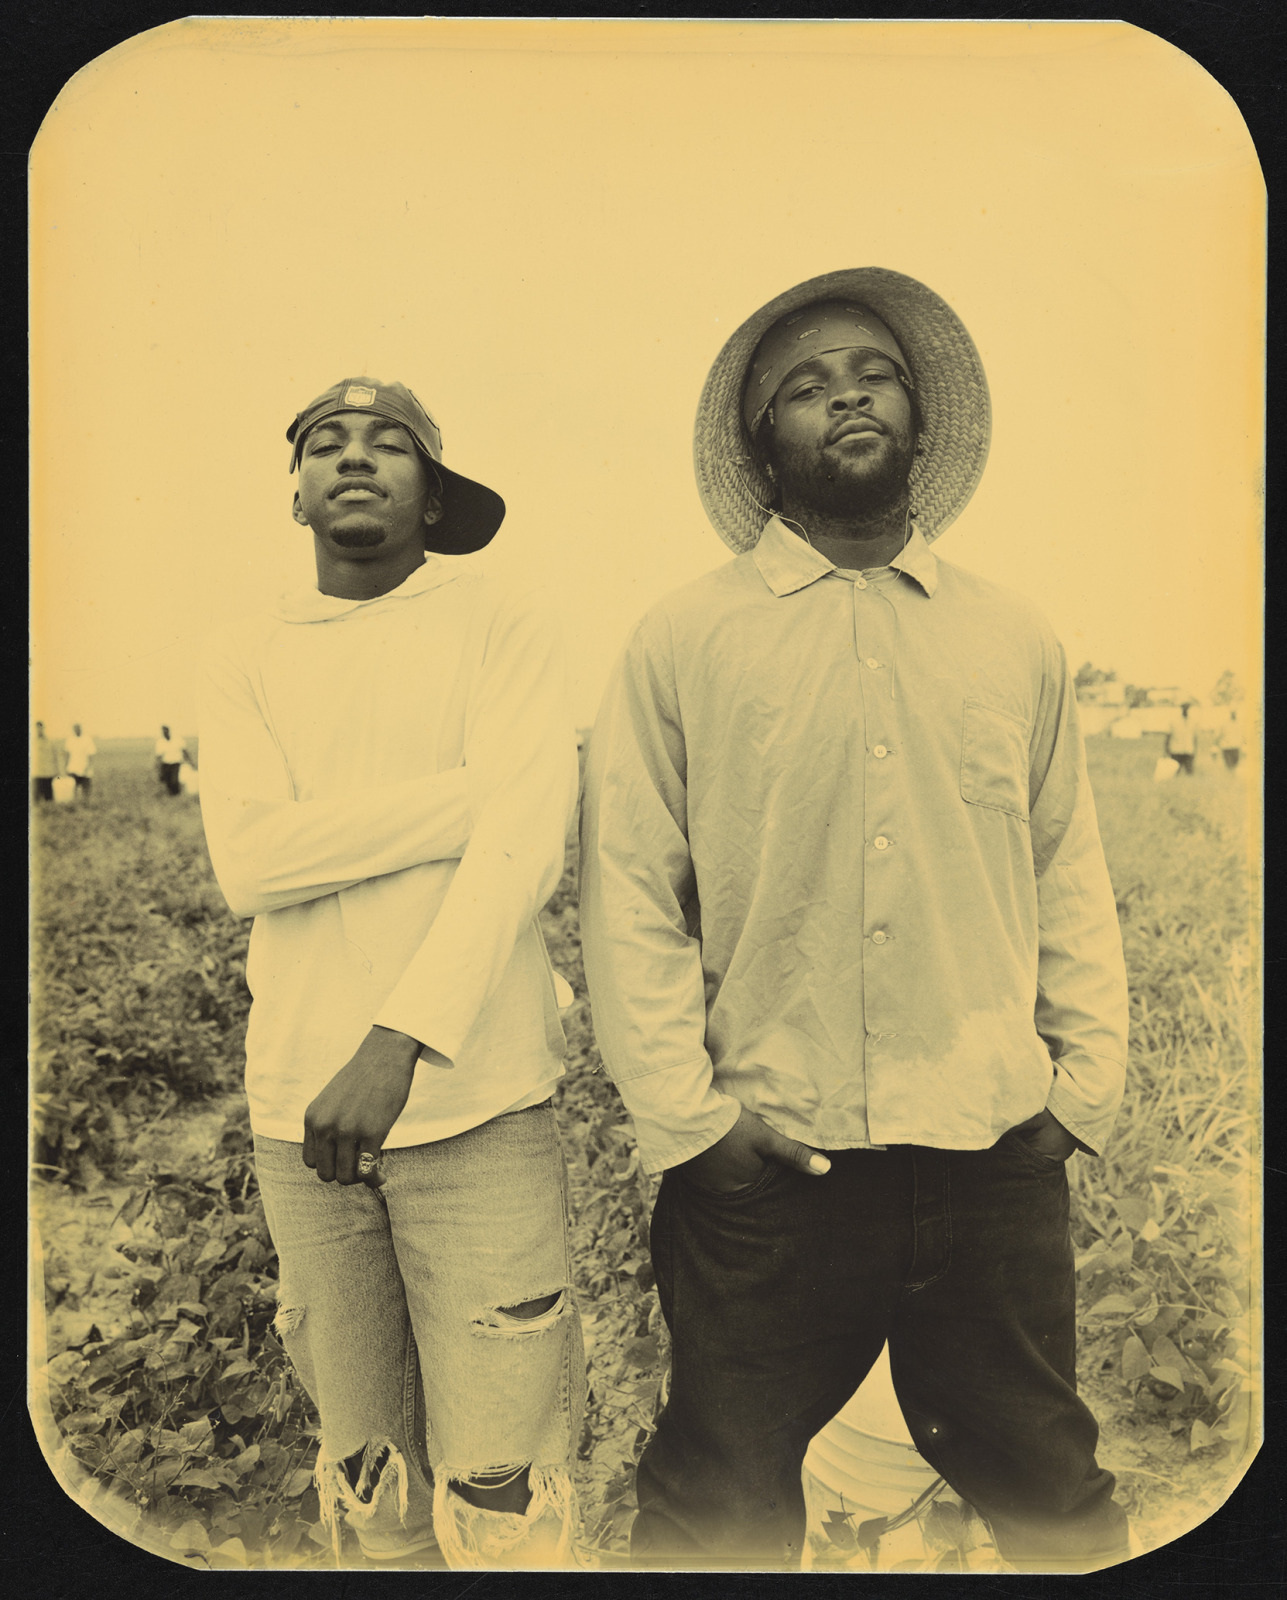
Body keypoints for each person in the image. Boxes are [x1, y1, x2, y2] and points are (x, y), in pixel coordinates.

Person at [579, 269, 1132, 1573]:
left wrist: (1077, 1093)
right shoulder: (681, 641)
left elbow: (1067, 872)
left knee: (1053, 1490)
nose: (846, 398)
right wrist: (692, 1124)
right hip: (771, 1163)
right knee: (718, 1499)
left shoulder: (1013, 639)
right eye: (804, 387)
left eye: (871, 374)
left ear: (919, 418)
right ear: (757, 445)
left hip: (988, 1146)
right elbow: (630, 893)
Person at [199, 378, 584, 1568]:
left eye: (389, 444)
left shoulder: (498, 622)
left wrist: (398, 1037)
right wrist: (469, 797)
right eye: (326, 443)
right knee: (371, 1485)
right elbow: (252, 862)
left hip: (478, 1105)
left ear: (435, 494)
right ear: (298, 491)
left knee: (503, 1490)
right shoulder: (248, 652)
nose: (353, 458)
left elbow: (525, 849)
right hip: (301, 1123)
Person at [64, 722, 97, 799]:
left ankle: (86, 804)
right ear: (73, 730)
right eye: (75, 729)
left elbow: (91, 755)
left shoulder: (87, 739)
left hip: (85, 769)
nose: (77, 730)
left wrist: (89, 767)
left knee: (86, 790)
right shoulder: (70, 740)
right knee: (72, 789)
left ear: (81, 729)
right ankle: (74, 805)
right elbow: (67, 754)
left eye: (78, 728)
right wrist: (66, 766)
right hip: (72, 768)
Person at [1164, 702, 1197, 775]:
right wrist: (1166, 749)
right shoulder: (1174, 721)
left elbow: (1194, 738)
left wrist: (1194, 750)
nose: (1186, 710)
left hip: (1188, 750)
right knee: (1174, 772)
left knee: (1190, 773)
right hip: (1176, 750)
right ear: (1182, 709)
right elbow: (1168, 736)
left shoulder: (1193, 722)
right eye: (1184, 708)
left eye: (1187, 709)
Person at [155, 724, 187, 795]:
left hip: (175, 763)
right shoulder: (160, 742)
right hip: (165, 764)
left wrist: (189, 761)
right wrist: (157, 766)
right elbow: (158, 756)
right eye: (163, 731)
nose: (164, 733)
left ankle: (176, 794)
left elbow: (184, 751)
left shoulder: (177, 740)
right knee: (167, 780)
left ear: (168, 731)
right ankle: (172, 795)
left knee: (174, 780)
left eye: (166, 731)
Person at [32, 721, 58, 802]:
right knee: (36, 797)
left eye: (40, 728)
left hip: (48, 773)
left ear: (43, 729)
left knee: (48, 796)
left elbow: (55, 756)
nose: (39, 730)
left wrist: (56, 770)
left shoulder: (50, 741)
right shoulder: (32, 742)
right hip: (36, 773)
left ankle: (49, 812)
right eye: (37, 729)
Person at [1215, 706, 1243, 772]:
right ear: (1230, 714)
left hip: (1235, 747)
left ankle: (1232, 779)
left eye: (1235, 713)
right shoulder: (1225, 724)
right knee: (1229, 766)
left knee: (1235, 764)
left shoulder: (1238, 724)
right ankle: (1229, 778)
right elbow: (1219, 735)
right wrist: (1217, 743)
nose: (1234, 715)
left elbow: (1242, 736)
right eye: (1232, 713)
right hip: (1227, 748)